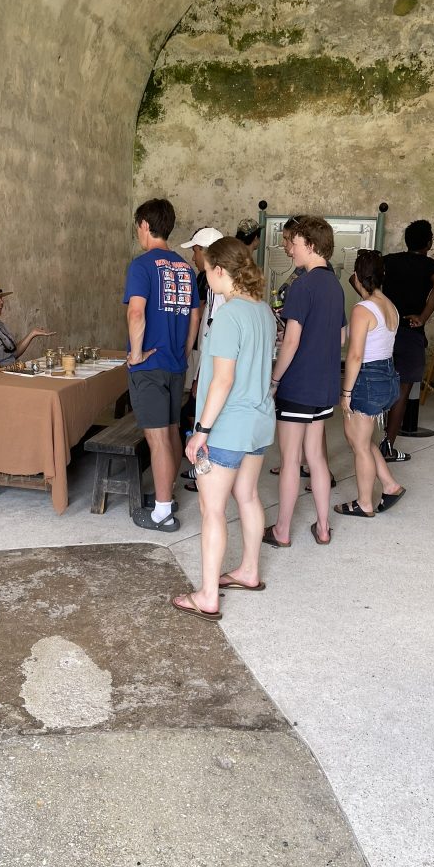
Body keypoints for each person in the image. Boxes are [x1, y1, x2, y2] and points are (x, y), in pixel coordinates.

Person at [171, 237, 276, 621]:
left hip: (228, 425)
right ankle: (249, 571)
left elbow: (222, 379)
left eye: (207, 270)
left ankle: (208, 595)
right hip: (259, 421)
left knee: (211, 508)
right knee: (247, 496)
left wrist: (201, 430)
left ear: (219, 270)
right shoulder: (263, 310)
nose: (206, 277)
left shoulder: (230, 314)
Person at [263, 216, 344, 549]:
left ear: (309, 245)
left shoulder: (302, 286)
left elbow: (292, 341)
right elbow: (341, 337)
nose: (290, 249)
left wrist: (275, 379)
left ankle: (282, 530)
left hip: (298, 384)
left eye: (293, 243)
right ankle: (323, 527)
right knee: (317, 458)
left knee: (291, 459)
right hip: (324, 383)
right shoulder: (335, 285)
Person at [124, 198, 201, 531]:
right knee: (170, 431)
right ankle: (165, 495)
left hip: (150, 366)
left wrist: (136, 354)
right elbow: (195, 316)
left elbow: (136, 312)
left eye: (137, 227)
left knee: (156, 440)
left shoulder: (141, 266)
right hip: (175, 364)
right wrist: (184, 350)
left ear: (144, 225)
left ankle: (163, 513)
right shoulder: (185, 268)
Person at [336, 251, 406, 517]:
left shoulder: (362, 309)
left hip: (367, 377)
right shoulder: (390, 305)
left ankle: (364, 503)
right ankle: (390, 485)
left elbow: (355, 355)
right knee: (361, 440)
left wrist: (346, 392)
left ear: (356, 276)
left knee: (359, 444)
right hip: (387, 375)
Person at [379, 219, 434, 462]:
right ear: (429, 242)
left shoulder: (388, 261)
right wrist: (423, 317)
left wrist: (379, 306)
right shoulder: (433, 266)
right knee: (402, 391)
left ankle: (364, 443)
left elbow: (359, 277)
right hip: (410, 333)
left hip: (385, 330)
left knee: (376, 384)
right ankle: (387, 446)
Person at [179, 227, 226, 490]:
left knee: (205, 419)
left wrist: (200, 374)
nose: (194, 257)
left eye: (196, 251)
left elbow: (215, 337)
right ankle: (202, 468)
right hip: (207, 366)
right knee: (197, 414)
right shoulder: (209, 284)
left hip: (215, 368)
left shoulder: (220, 290)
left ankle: (206, 472)